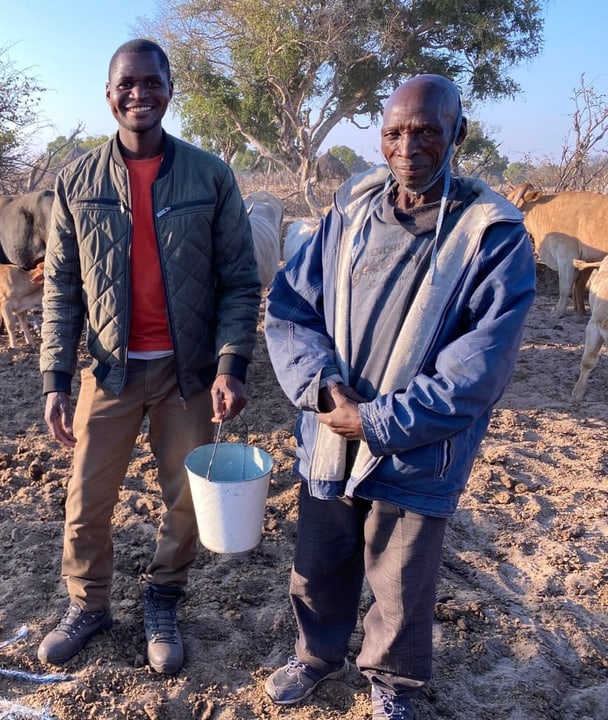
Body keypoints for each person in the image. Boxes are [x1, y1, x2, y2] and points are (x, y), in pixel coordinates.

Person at [262, 74, 535, 719]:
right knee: (320, 559)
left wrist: (380, 420)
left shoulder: (491, 235)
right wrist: (323, 389)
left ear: (458, 133)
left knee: (401, 577)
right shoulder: (351, 212)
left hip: (417, 446)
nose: (407, 146)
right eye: (393, 132)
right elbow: (291, 308)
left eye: (426, 131)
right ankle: (316, 655)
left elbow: (480, 368)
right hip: (332, 428)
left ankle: (395, 682)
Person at [36, 38, 261, 675]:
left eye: (152, 82)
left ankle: (163, 599)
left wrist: (231, 364)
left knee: (187, 498)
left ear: (170, 89)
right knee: (85, 500)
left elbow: (240, 279)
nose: (140, 94)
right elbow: (61, 286)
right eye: (126, 84)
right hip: (108, 368)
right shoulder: (77, 180)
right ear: (108, 95)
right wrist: (55, 378)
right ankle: (89, 605)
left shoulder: (210, 175)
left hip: (185, 373)